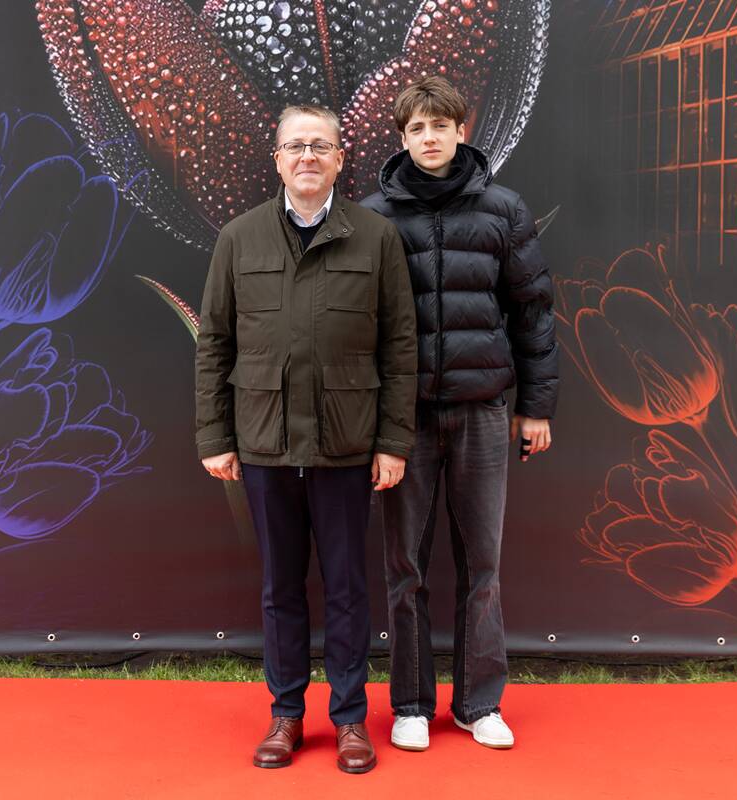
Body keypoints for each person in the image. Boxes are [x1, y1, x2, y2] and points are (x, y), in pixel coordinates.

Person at [194, 105, 417, 773]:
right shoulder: (239, 238)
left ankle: (349, 720)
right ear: (278, 159)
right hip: (264, 442)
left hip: (347, 443)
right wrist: (215, 435)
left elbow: (400, 346)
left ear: (341, 158)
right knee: (280, 588)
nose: (308, 156)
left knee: (347, 588)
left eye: (321, 145)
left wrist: (393, 441)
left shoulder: (376, 237)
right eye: (296, 146)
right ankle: (286, 714)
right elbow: (215, 343)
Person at [362, 76, 559, 751]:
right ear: (402, 137)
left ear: (461, 130)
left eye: (440, 125)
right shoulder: (374, 217)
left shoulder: (503, 210)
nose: (429, 138)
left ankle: (480, 704)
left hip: (483, 413)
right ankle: (412, 704)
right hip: (404, 419)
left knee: (483, 566)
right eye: (416, 128)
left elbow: (533, 313)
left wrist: (536, 406)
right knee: (405, 568)